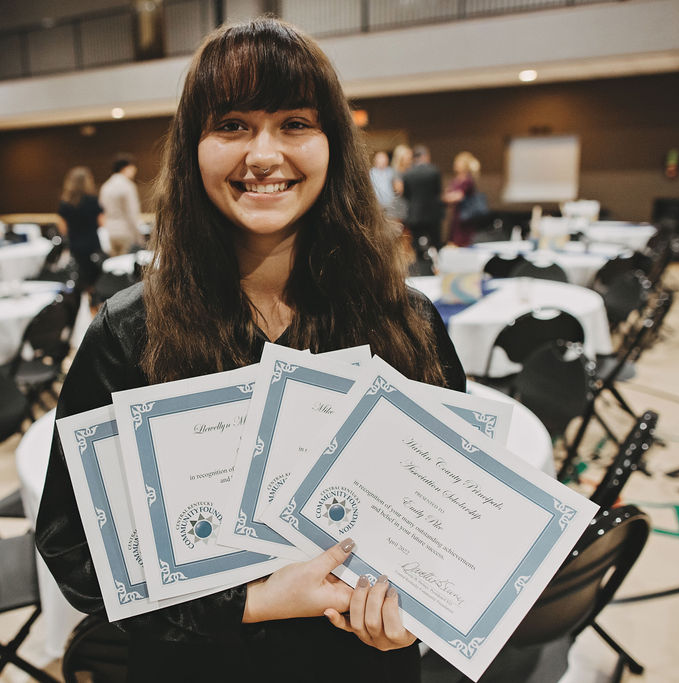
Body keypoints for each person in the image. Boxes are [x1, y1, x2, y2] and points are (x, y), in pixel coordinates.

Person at [36, 17, 466, 683]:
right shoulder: (128, 334)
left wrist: (414, 618)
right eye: (232, 124)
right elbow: (75, 549)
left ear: (333, 144)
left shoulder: (405, 323)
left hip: (358, 667)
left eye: (295, 123)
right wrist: (254, 601)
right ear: (193, 147)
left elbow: (445, 529)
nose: (264, 155)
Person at [55, 166, 104, 291]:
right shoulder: (92, 200)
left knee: (81, 274)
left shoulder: (66, 203)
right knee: (94, 276)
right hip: (92, 244)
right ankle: (92, 298)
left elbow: (62, 227)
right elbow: (102, 222)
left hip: (75, 244)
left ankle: (81, 297)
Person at [400, 145, 444, 260]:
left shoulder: (408, 173)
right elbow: (438, 191)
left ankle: (421, 266)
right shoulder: (434, 171)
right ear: (425, 156)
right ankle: (437, 265)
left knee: (416, 244)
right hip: (433, 214)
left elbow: (406, 195)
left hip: (415, 214)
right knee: (435, 243)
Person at [98, 154, 144, 256]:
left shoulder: (106, 186)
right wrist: (139, 237)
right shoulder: (128, 186)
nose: (135, 170)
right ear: (125, 168)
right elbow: (132, 213)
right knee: (124, 262)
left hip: (109, 231)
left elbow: (102, 211)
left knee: (114, 262)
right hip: (125, 231)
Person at [443, 151, 483, 247]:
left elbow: (459, 196)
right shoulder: (457, 179)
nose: (455, 164)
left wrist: (445, 197)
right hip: (457, 214)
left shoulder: (467, 180)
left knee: (462, 241)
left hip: (465, 216)